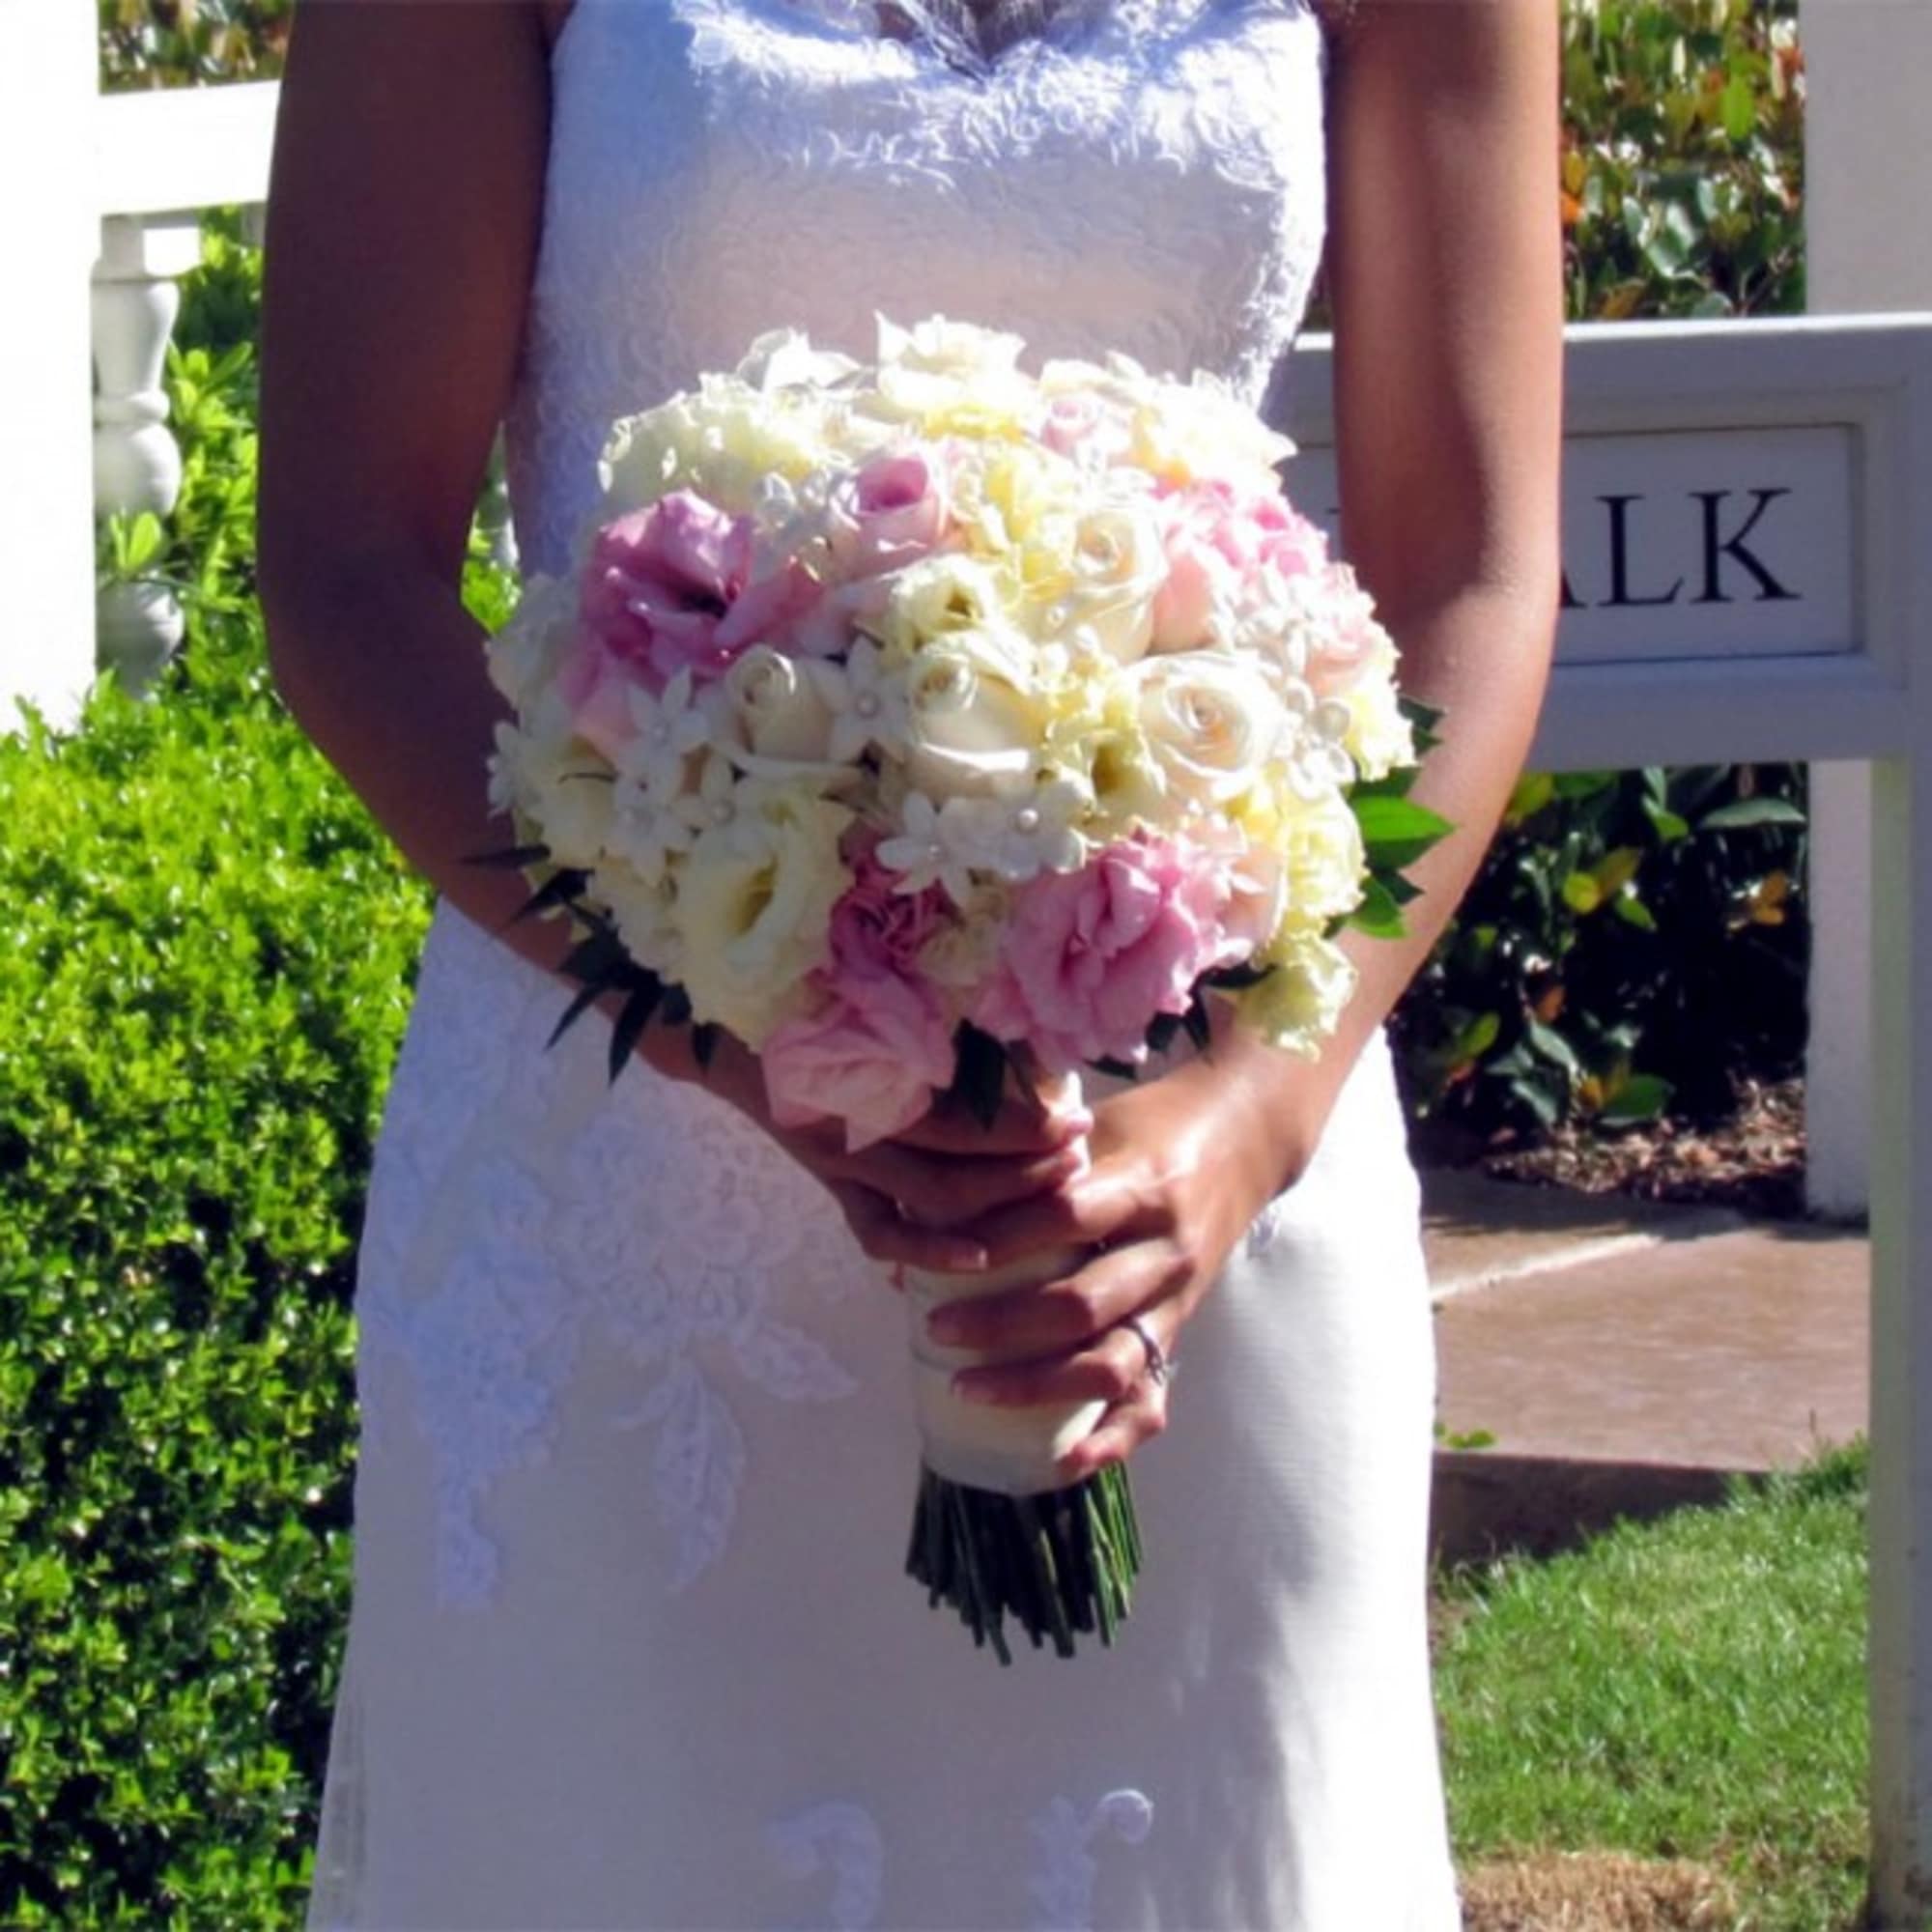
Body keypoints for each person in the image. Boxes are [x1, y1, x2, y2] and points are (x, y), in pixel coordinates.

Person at [259, 0, 1559, 1923]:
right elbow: (350, 564)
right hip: (628, 1227)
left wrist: (1241, 1119)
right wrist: (738, 1024)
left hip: (1178, 1212)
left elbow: (1469, 570)